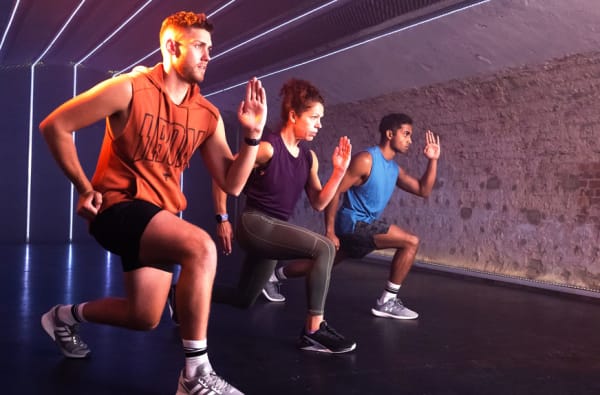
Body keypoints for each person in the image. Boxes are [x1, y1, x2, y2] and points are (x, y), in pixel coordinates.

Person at [39, 11, 267, 395]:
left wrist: (252, 137)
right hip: (117, 207)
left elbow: (232, 181)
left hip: (157, 215)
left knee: (144, 316)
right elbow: (55, 126)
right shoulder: (128, 88)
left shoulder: (208, 116)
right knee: (200, 246)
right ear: (171, 47)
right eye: (198, 46)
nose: (208, 55)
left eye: (209, 48)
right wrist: (83, 186)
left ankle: (63, 317)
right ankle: (195, 375)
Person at [172, 78, 356, 354]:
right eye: (314, 117)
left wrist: (339, 172)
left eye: (321, 118)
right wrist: (222, 218)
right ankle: (313, 330)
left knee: (244, 297)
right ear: (294, 115)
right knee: (325, 248)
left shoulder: (309, 158)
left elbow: (319, 202)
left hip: (274, 230)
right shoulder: (267, 147)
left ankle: (179, 294)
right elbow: (223, 174)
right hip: (254, 223)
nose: (319, 124)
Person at [268, 113, 441, 320]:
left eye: (410, 136)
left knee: (323, 263)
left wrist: (433, 161)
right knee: (411, 241)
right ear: (389, 134)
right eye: (406, 134)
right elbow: (336, 191)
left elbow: (423, 190)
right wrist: (330, 231)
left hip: (363, 227)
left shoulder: (395, 169)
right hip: (353, 223)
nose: (409, 141)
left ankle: (271, 278)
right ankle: (387, 301)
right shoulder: (366, 160)